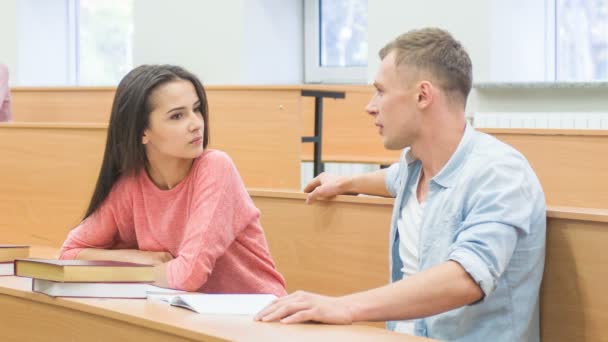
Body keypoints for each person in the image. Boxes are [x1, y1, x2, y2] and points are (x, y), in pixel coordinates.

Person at [255, 28, 546, 341]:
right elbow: (391, 179)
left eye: (381, 91)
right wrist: (347, 182)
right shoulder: (414, 167)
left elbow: (466, 277)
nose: (370, 106)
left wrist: (345, 307)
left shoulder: (500, 173)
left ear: (422, 95)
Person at [60, 64, 286, 297]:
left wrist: (124, 272)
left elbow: (188, 275)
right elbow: (70, 253)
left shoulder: (215, 167)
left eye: (196, 110)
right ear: (142, 132)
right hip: (190, 313)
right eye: (177, 116)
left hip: (257, 315)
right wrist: (138, 258)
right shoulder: (132, 184)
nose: (196, 123)